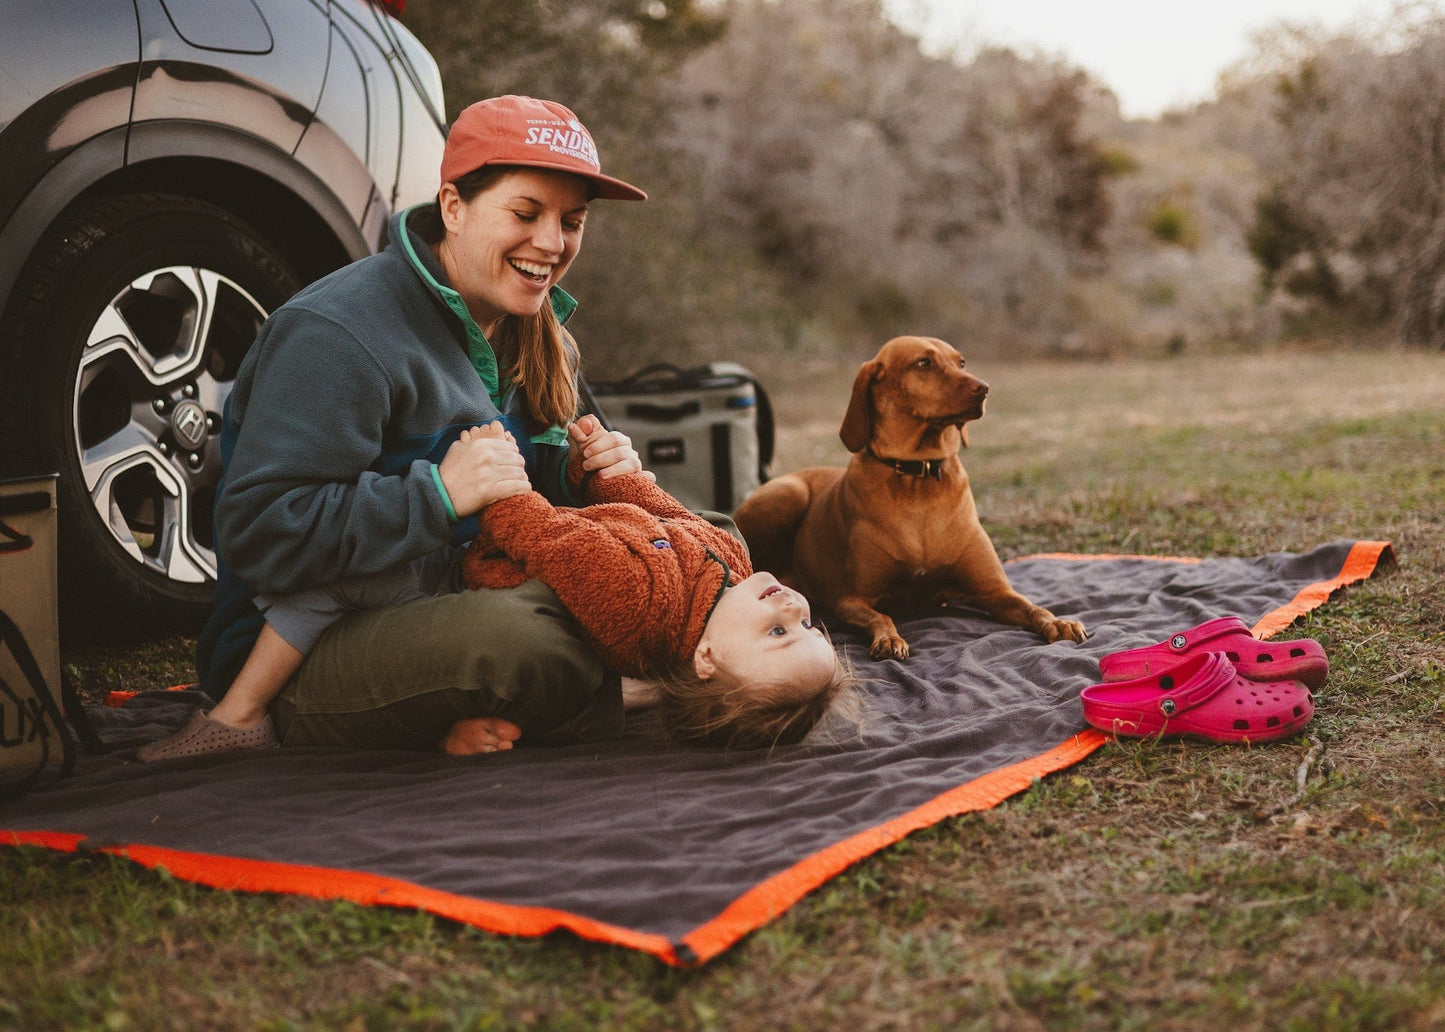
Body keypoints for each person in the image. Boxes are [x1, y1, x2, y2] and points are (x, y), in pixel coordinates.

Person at [168, 95, 655, 760]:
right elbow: (260, 535)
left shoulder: (540, 335)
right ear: (452, 207)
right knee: (526, 641)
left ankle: (628, 667)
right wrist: (436, 497)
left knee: (706, 537)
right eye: (525, 213)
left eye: (572, 221)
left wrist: (587, 479)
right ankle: (651, 675)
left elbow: (535, 519)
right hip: (306, 647)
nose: (551, 243)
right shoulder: (337, 333)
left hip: (467, 593)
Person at [143, 416, 852, 761]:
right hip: (543, 557)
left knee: (335, 584)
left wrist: (493, 484)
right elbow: (658, 507)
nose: (792, 607)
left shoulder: (641, 603)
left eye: (777, 634)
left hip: (474, 567)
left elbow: (551, 540)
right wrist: (614, 475)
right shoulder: (725, 556)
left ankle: (236, 717)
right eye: (808, 625)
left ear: (706, 662)